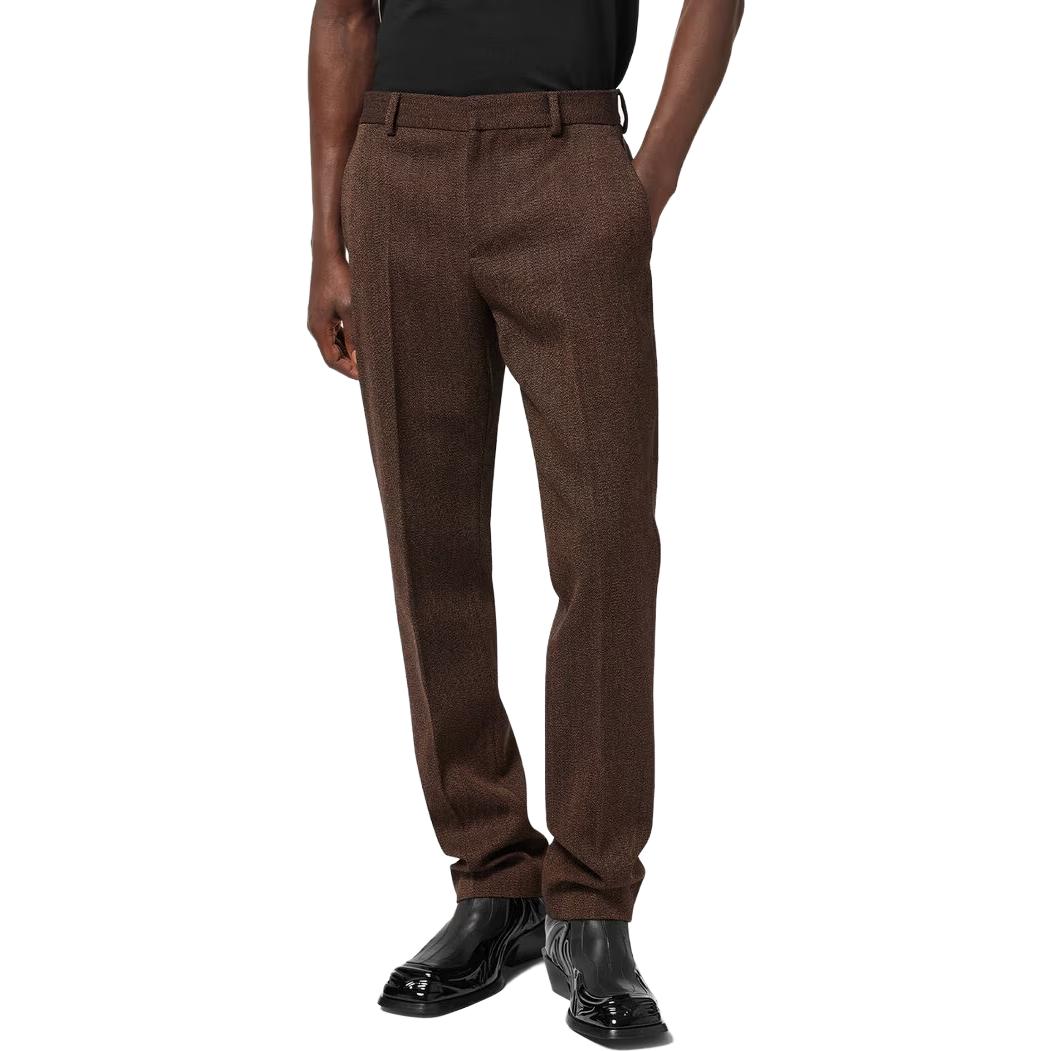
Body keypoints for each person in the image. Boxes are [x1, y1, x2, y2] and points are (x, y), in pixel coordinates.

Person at [307, 1, 743, 1041]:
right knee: (430, 545)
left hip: (570, 160)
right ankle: (493, 881)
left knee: (606, 544)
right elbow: (343, 14)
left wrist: (648, 181)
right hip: (396, 165)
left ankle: (591, 902)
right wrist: (324, 237)